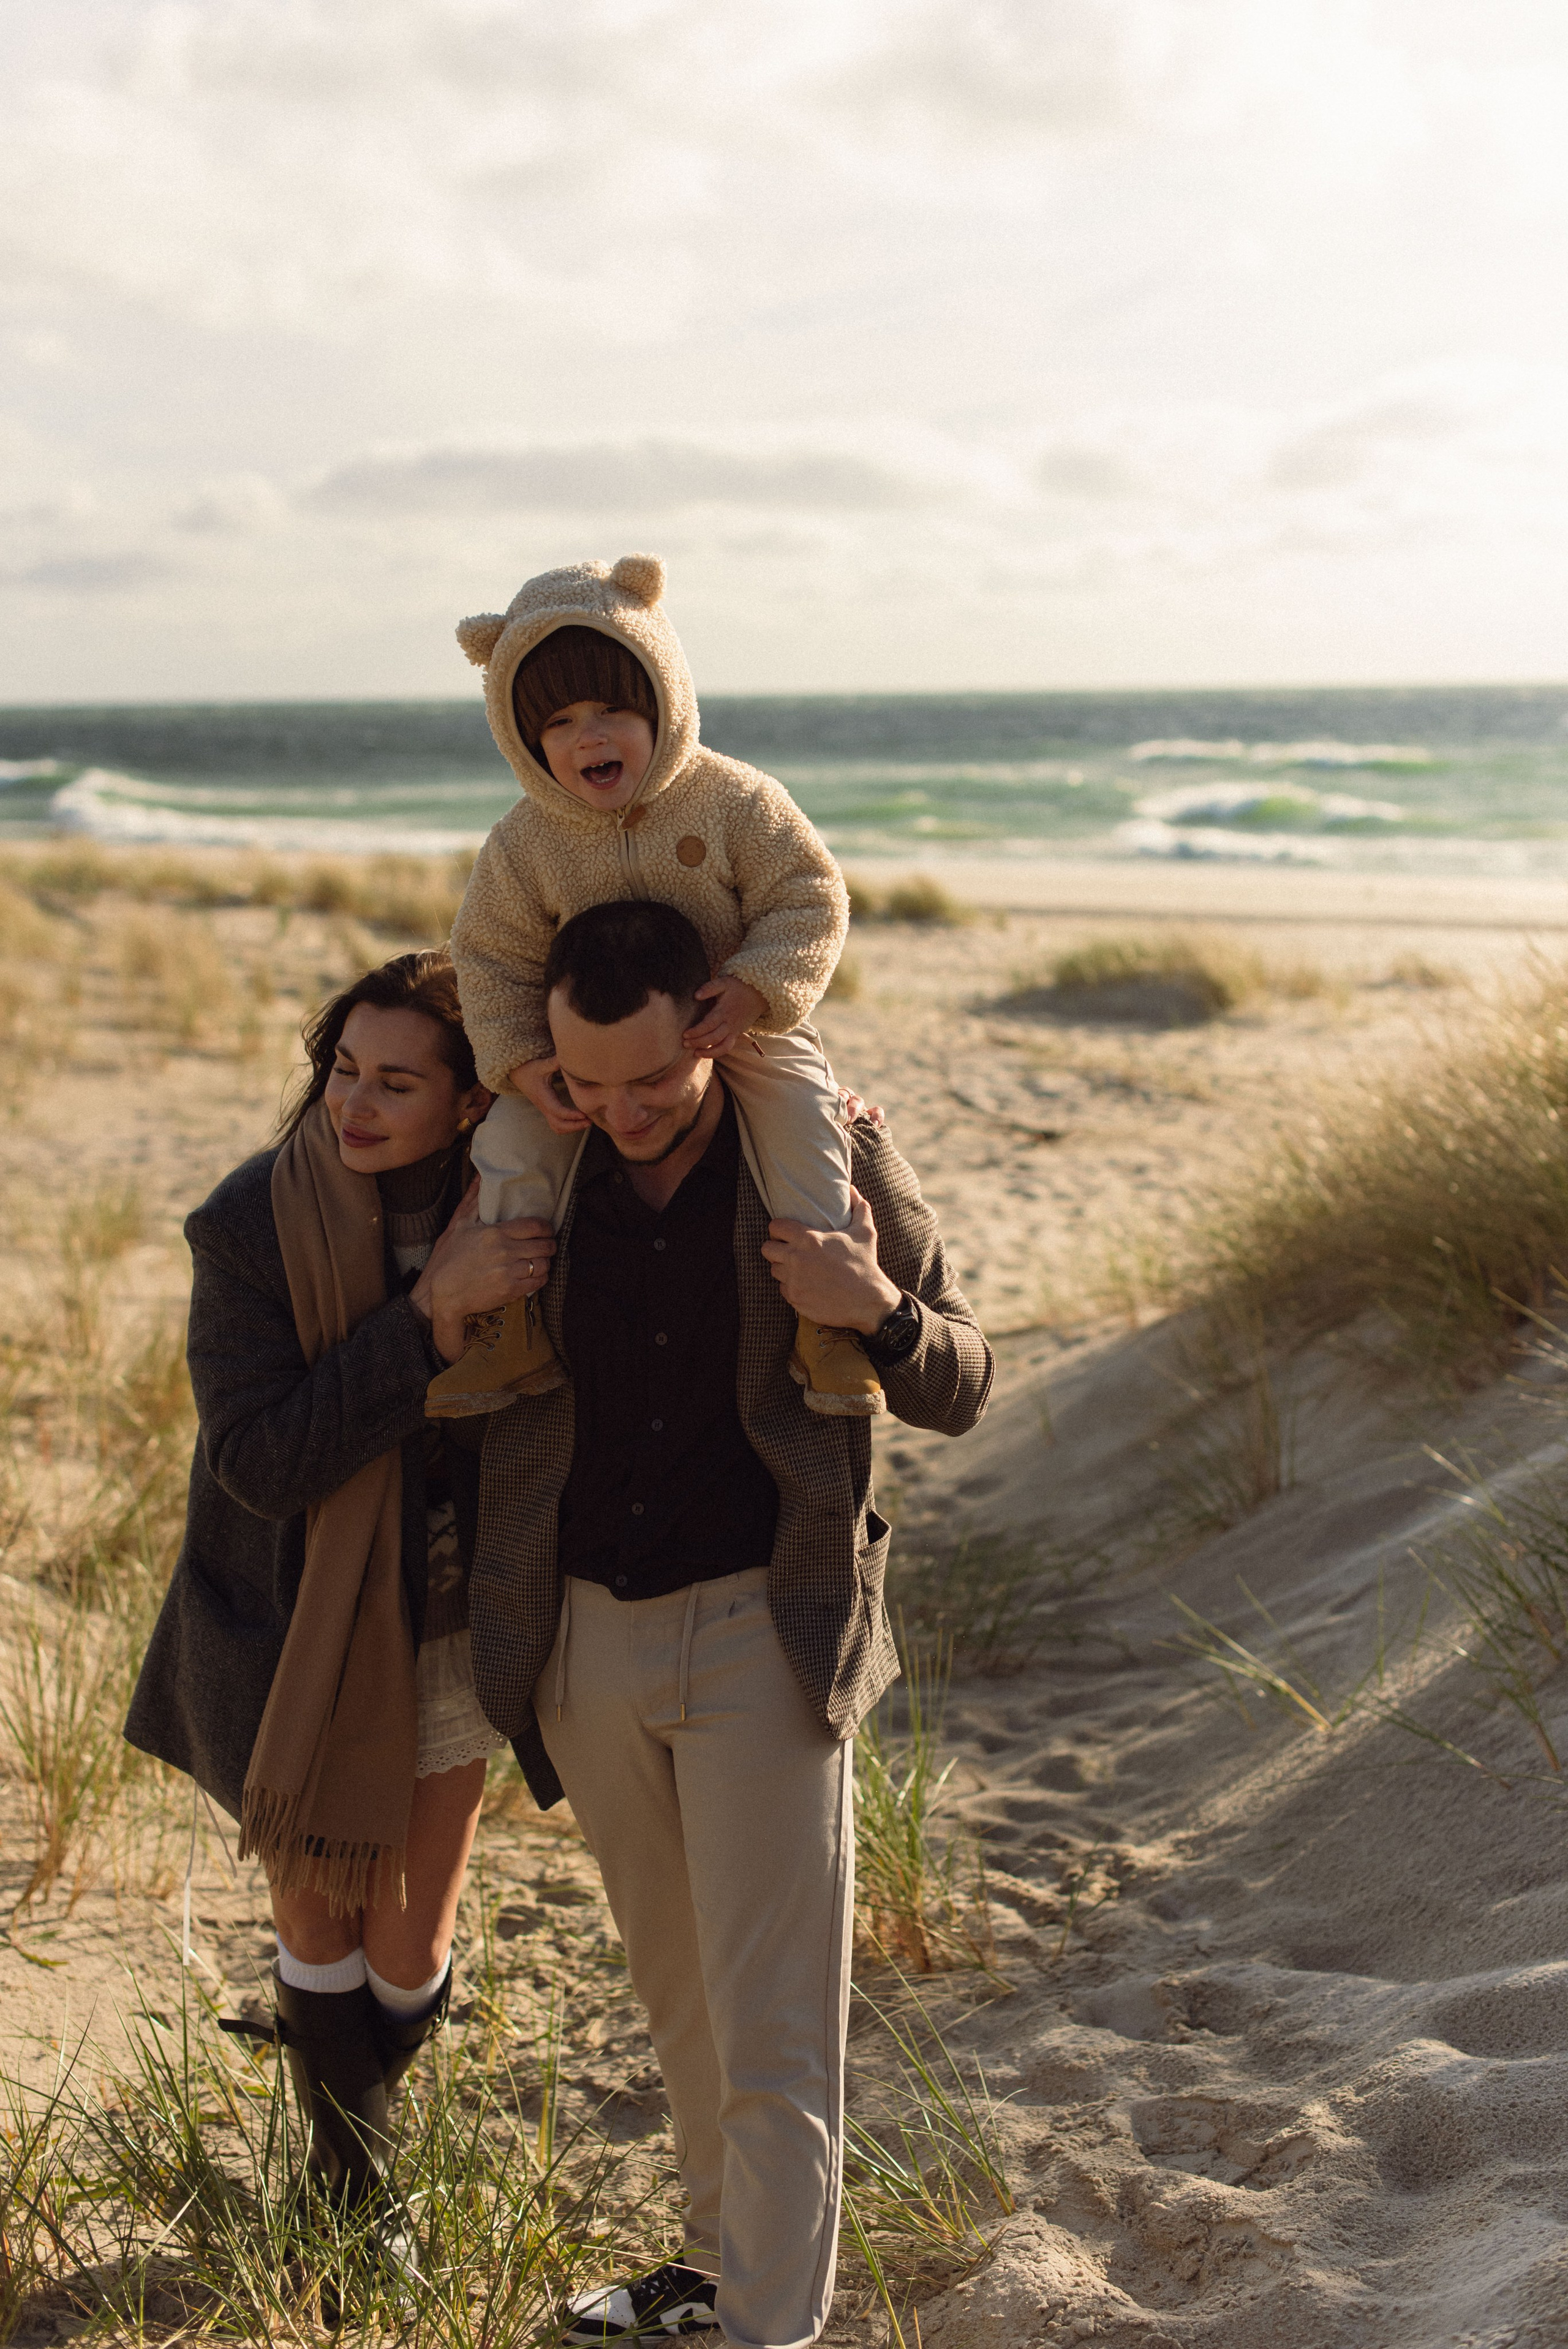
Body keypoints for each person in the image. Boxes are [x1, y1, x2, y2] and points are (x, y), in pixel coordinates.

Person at [464, 898, 995, 2349]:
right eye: (586, 1081)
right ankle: (711, 2268)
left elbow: (961, 1377)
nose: (619, 1110)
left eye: (652, 1078)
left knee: (774, 2027)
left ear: (710, 1021)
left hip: (767, 1626)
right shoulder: (540, 1158)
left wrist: (873, 1306)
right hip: (580, 1640)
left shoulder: (815, 1152)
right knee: (679, 1997)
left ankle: (771, 2328)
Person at [124, 951, 550, 2231]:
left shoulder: (522, 1204)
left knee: (409, 1942)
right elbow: (260, 1462)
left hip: (449, 1622)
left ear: (469, 1102)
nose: (353, 1106)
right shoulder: (248, 1220)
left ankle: (349, 2109)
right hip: (280, 1623)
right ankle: (352, 2195)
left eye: (395, 1084)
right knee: (318, 1916)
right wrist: (426, 1318)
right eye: (342, 1072)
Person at [428, 549, 883, 1423]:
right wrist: (522, 1063)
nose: (590, 736)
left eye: (614, 708)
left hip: (736, 1026)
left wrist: (756, 987)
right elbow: (490, 958)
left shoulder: (734, 799)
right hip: (590, 1045)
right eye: (558, 722)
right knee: (515, 1148)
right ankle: (510, 1325)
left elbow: (810, 894)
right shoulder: (525, 844)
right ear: (525, 742)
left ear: (665, 696)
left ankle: (828, 1328)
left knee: (805, 1134)